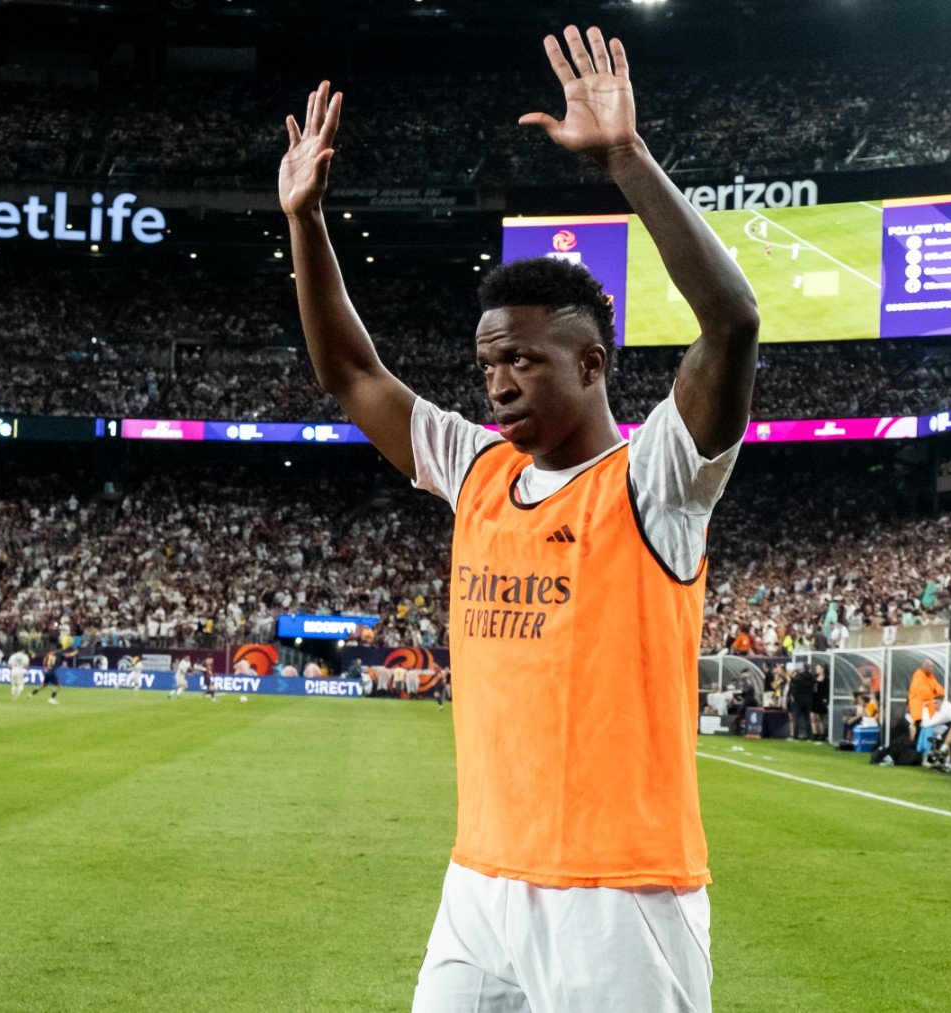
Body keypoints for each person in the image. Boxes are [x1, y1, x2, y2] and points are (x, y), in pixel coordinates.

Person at [281, 27, 759, 1009]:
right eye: (487, 363)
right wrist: (306, 219)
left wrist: (626, 159)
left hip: (620, 895)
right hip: (482, 881)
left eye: (522, 361)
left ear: (590, 364)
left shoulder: (657, 479)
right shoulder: (479, 470)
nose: (496, 384)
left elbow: (732, 324)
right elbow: (353, 373)